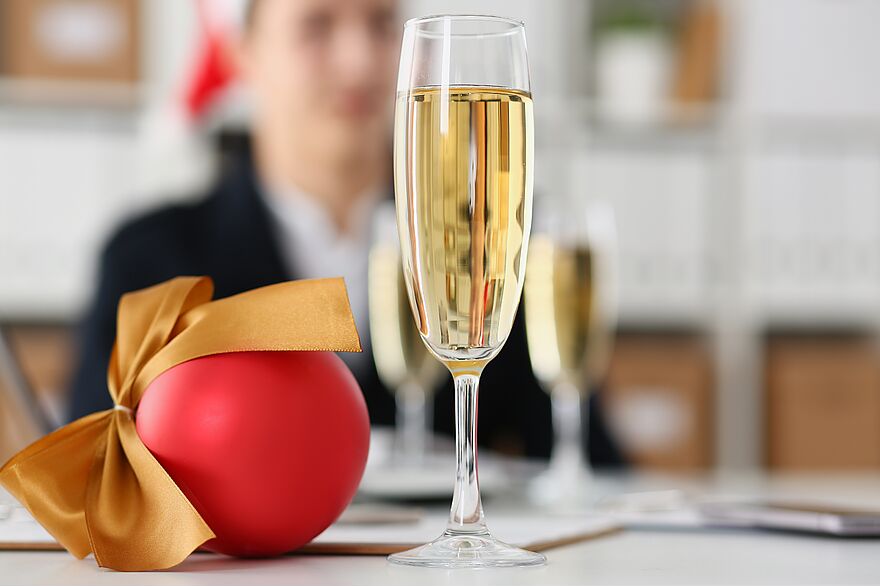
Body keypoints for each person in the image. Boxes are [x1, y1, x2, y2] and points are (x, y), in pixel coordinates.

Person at [70, 0, 622, 465]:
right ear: (242, 53)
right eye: (317, 26)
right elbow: (101, 483)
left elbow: (585, 465)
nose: (360, 64)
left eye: (382, 25)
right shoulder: (149, 260)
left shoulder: (493, 238)